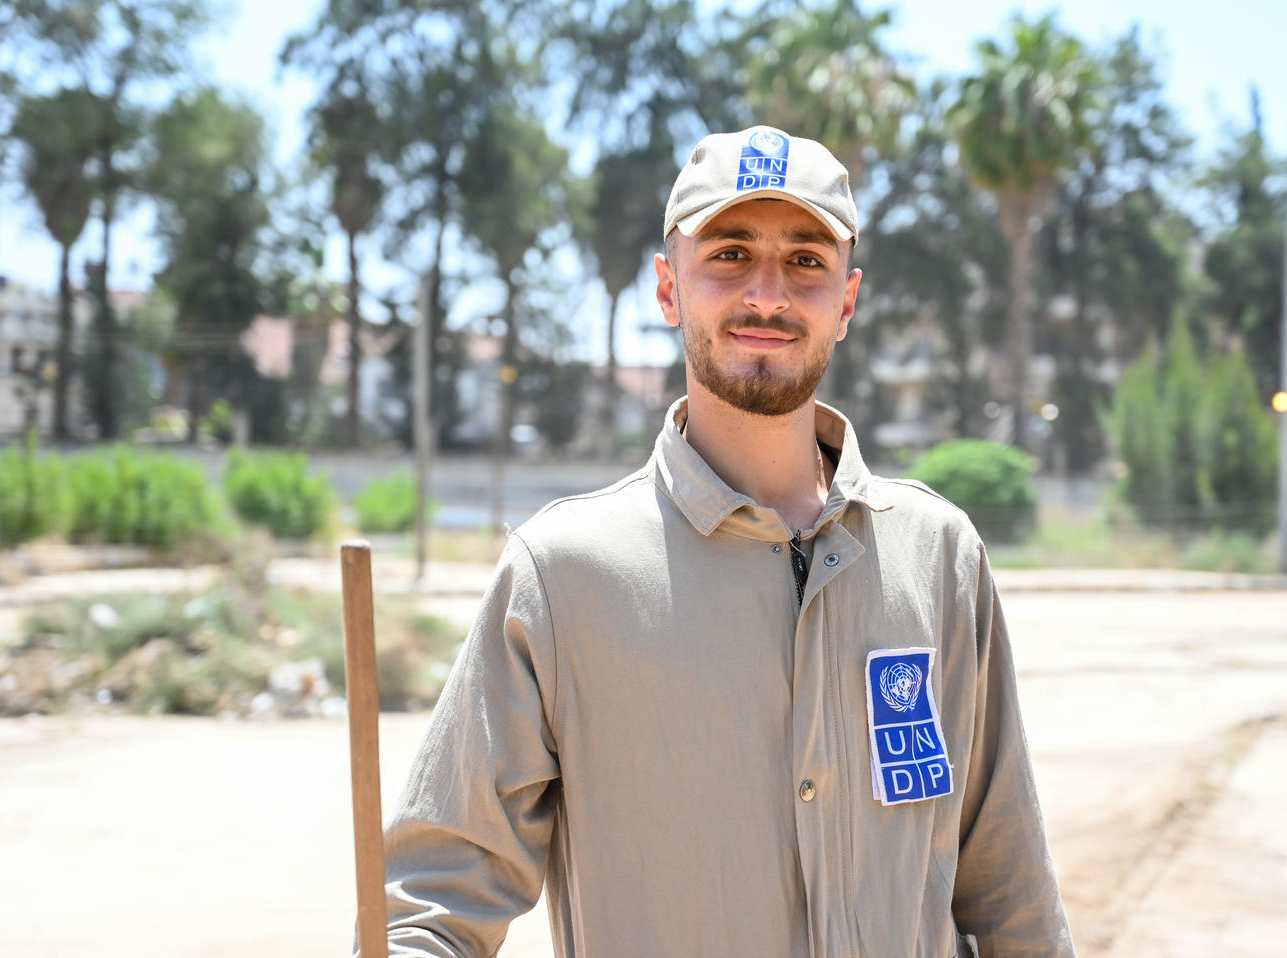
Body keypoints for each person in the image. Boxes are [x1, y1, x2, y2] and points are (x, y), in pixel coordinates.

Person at [380, 125, 1073, 958]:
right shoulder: (563, 576)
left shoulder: (939, 556)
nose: (768, 295)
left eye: (806, 260)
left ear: (846, 302)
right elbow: (433, 903)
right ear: (669, 290)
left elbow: (1010, 896)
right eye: (731, 254)